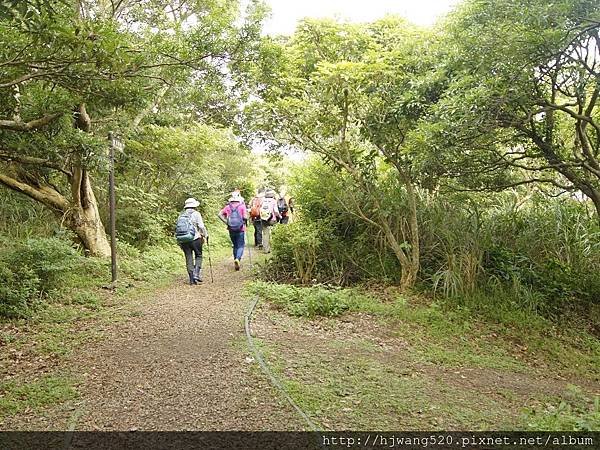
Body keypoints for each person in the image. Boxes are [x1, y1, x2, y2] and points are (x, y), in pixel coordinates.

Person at [177, 197, 208, 285]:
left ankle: (191, 279)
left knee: (188, 256)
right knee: (199, 255)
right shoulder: (196, 214)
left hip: (184, 239)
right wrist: (205, 234)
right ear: (194, 206)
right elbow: (201, 226)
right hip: (195, 238)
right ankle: (196, 274)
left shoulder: (181, 215)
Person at [218, 191, 248, 271]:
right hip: (240, 228)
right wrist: (245, 221)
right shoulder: (242, 206)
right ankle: (237, 259)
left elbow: (219, 214)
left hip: (231, 229)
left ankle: (235, 259)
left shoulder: (227, 207)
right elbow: (245, 217)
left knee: (235, 245)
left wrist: (226, 222)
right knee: (241, 245)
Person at [260, 189, 281, 253]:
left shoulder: (262, 200)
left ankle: (266, 249)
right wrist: (280, 216)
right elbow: (276, 211)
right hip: (272, 219)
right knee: (274, 233)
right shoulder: (273, 201)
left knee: (265, 234)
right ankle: (274, 248)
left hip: (264, 219)